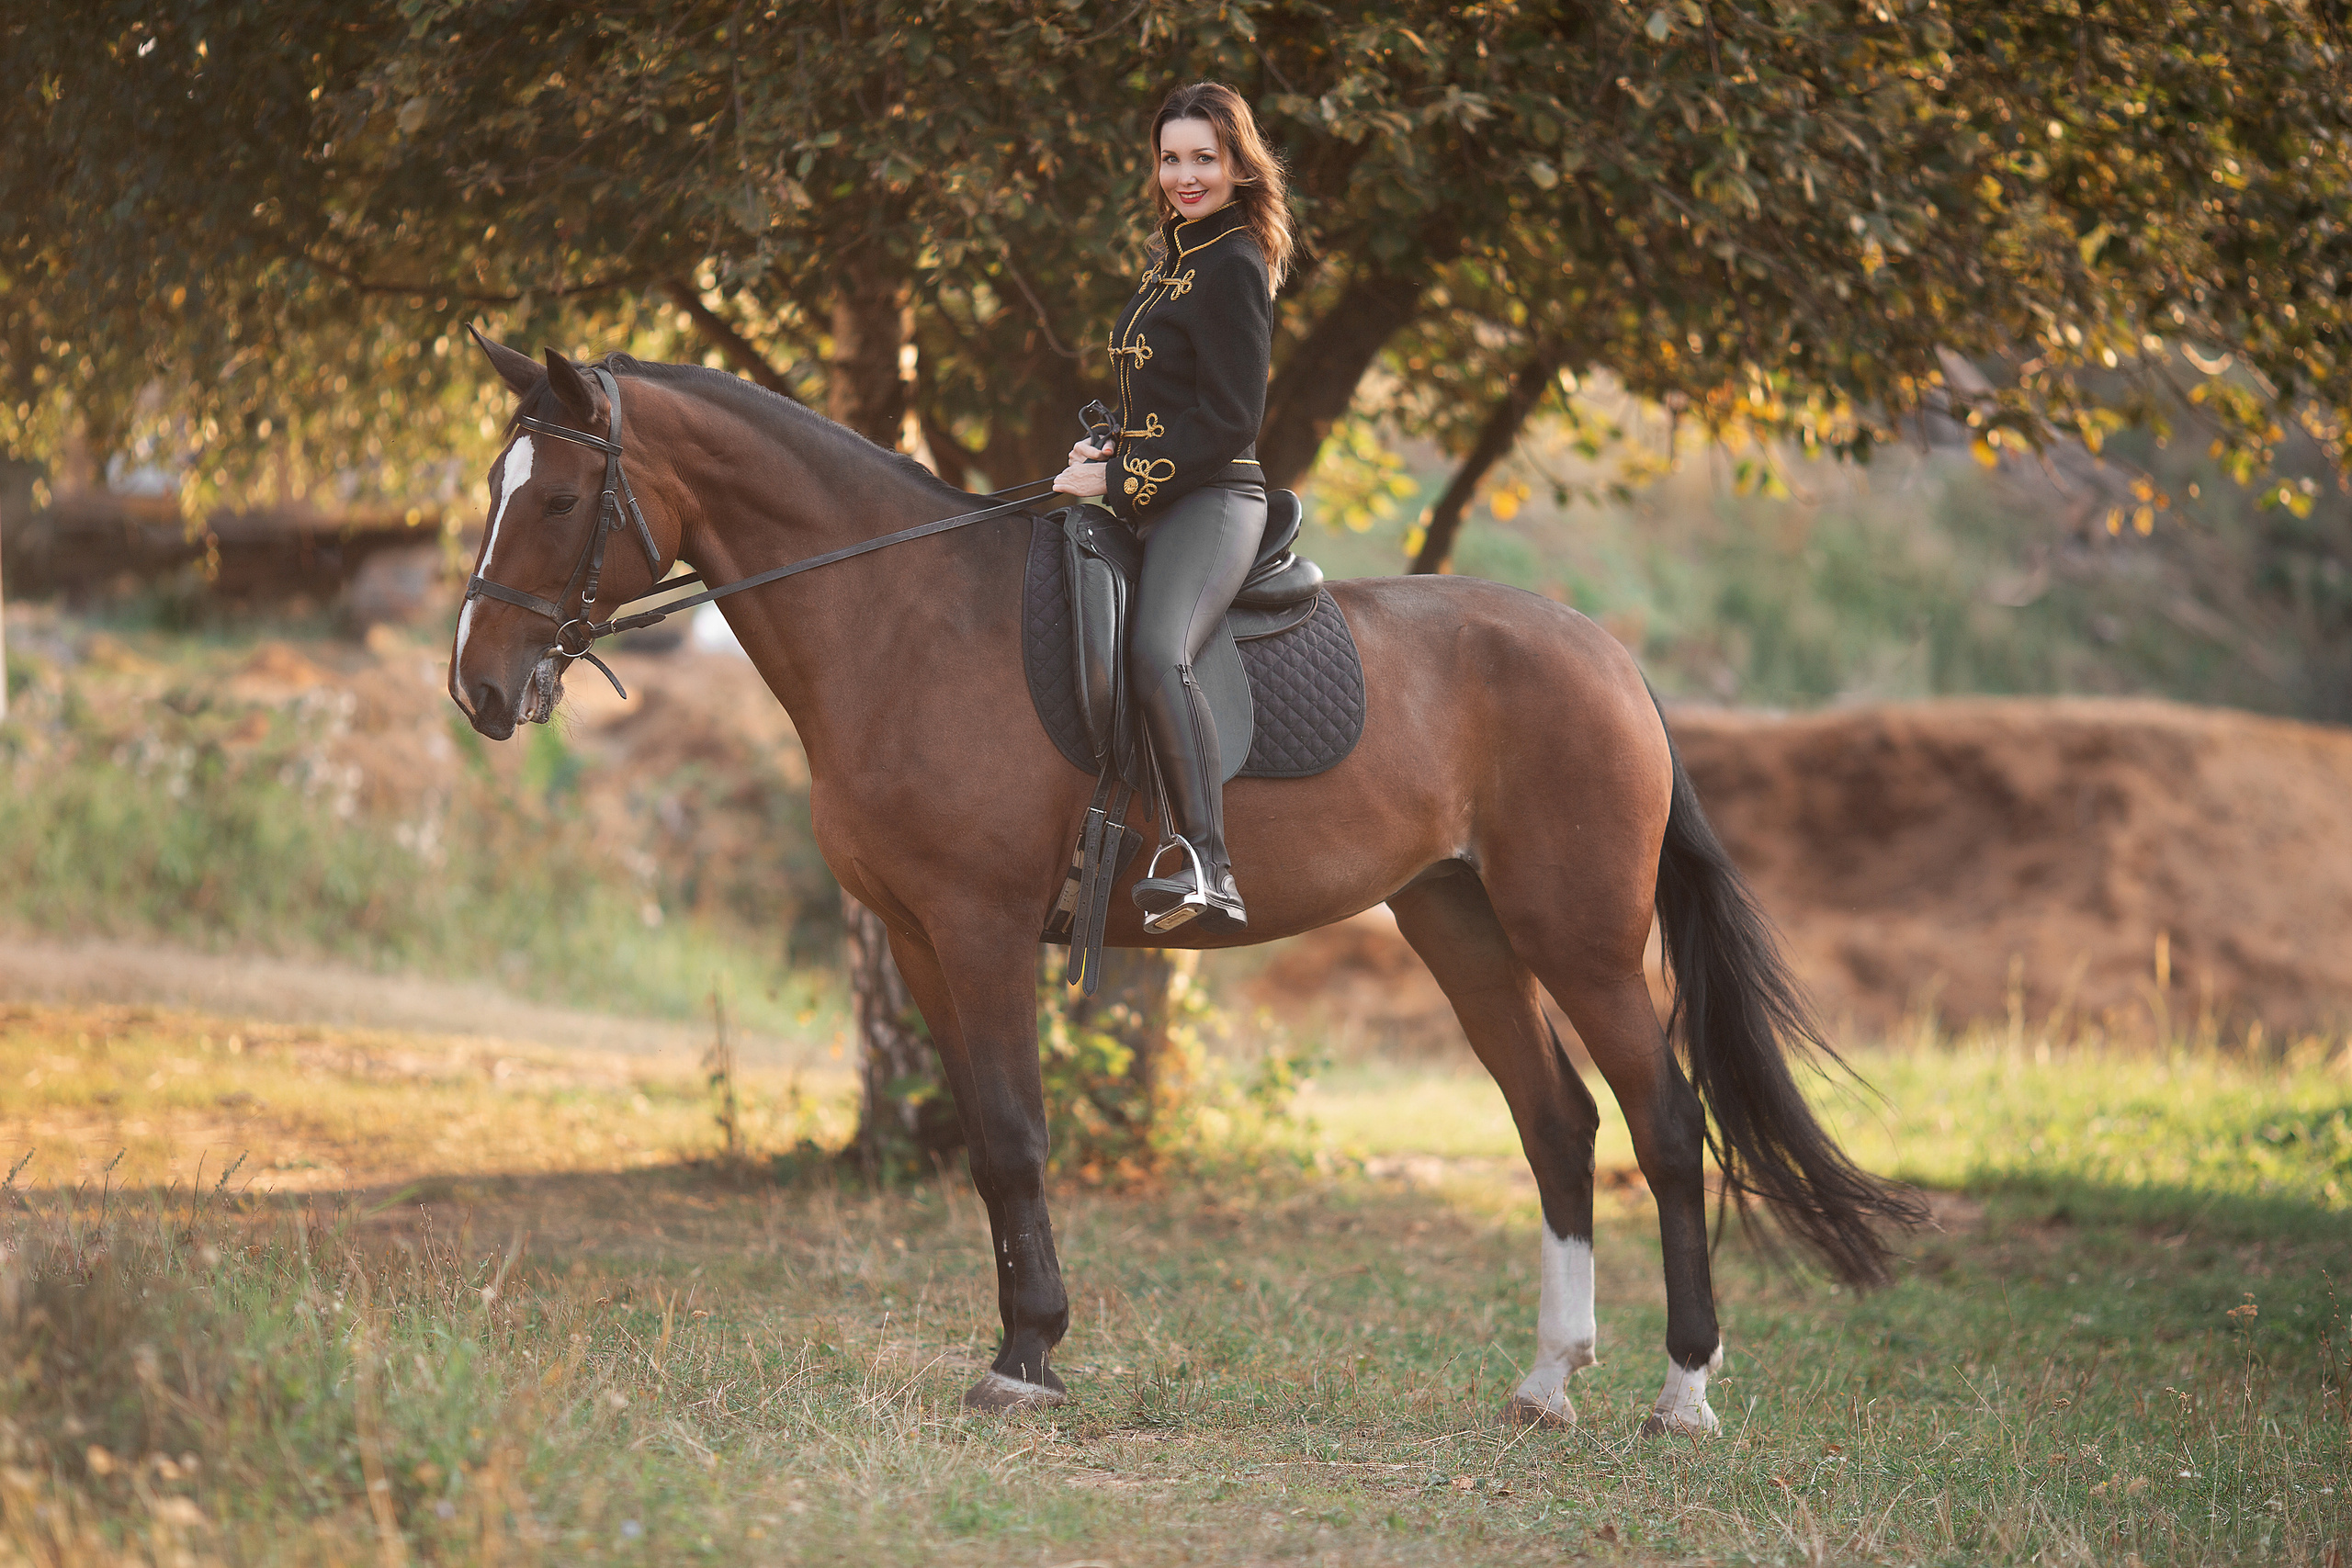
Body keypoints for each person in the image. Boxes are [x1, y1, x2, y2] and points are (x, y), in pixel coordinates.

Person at [1053, 82, 1295, 934]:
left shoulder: (1231, 264)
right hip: (1159, 486)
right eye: (1171, 159)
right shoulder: (1176, 259)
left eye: (1204, 158)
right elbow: (1167, 401)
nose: (1184, 175)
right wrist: (1108, 448)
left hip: (1216, 497)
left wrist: (1119, 484)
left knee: (1158, 649)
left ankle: (1207, 861)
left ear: (1237, 165)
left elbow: (1230, 419)